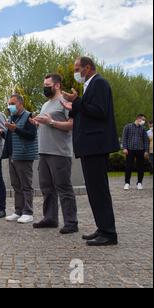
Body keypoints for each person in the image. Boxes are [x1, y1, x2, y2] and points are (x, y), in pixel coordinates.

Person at [62, 57, 120, 246]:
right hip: (89, 146)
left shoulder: (99, 83)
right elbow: (87, 112)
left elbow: (100, 111)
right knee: (94, 191)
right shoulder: (89, 85)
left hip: (96, 145)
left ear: (88, 68)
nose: (76, 72)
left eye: (78, 68)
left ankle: (109, 233)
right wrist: (73, 106)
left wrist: (77, 101)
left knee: (99, 190)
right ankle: (102, 227)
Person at [33, 73, 79, 234]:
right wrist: (38, 123)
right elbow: (46, 123)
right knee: (47, 187)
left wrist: (51, 122)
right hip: (44, 152)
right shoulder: (46, 105)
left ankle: (71, 222)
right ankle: (50, 218)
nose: (45, 88)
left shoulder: (65, 103)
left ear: (57, 85)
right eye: (44, 85)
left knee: (64, 188)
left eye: (48, 85)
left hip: (59, 153)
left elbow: (72, 125)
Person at [0, 94, 38, 224]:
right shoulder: (12, 117)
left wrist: (16, 129)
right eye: (9, 104)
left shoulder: (28, 116)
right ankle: (18, 211)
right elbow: (10, 137)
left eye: (12, 103)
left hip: (23, 156)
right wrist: (1, 132)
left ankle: (28, 212)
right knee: (16, 185)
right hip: (12, 155)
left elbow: (31, 135)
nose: (10, 106)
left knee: (26, 185)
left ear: (20, 103)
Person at [122, 114, 150, 190]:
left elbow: (146, 141)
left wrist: (146, 151)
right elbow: (124, 137)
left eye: (144, 120)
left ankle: (139, 183)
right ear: (138, 118)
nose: (143, 121)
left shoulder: (143, 129)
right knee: (128, 166)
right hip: (130, 150)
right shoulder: (128, 127)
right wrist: (124, 148)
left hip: (140, 150)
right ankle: (127, 183)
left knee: (140, 167)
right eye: (143, 119)